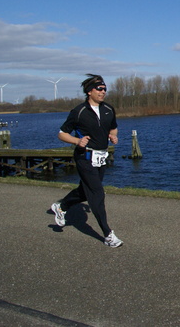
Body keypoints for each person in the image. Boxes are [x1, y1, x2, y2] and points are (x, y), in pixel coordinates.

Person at [50, 74, 123, 247]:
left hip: (101, 157)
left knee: (85, 191)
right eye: (99, 89)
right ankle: (108, 235)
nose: (103, 92)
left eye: (105, 89)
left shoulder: (108, 109)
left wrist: (113, 136)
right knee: (97, 193)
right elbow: (61, 133)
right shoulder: (79, 111)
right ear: (89, 91)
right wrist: (76, 141)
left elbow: (113, 128)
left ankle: (61, 207)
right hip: (85, 157)